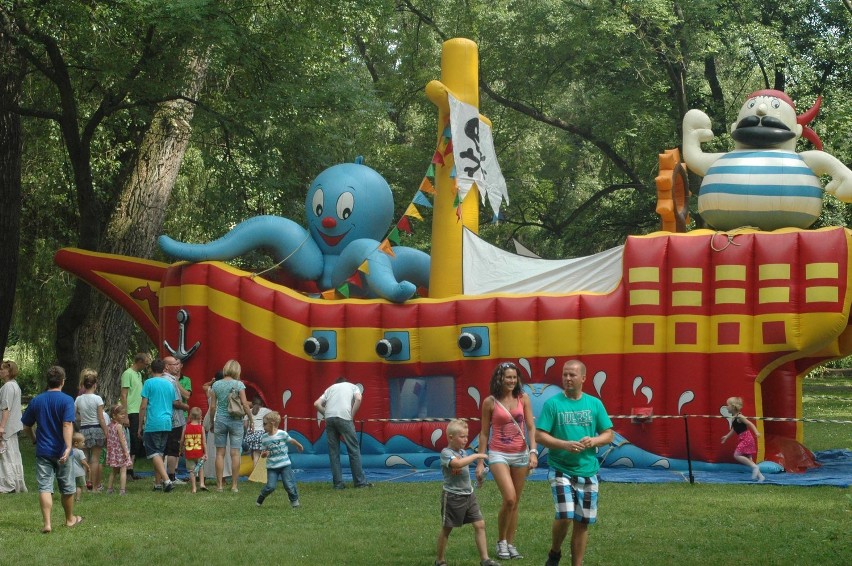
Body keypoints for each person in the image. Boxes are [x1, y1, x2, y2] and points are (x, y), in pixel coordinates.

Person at [535, 360, 614, 566]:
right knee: (565, 515)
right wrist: (563, 444)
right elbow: (539, 435)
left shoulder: (594, 403)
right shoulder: (553, 404)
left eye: (572, 375)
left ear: (583, 378)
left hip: (588, 470)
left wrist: (594, 440)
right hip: (561, 469)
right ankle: (554, 552)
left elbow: (608, 434)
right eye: (565, 375)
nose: (567, 379)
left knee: (582, 522)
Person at [475, 361, 537, 560]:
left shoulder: (523, 398)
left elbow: (530, 426)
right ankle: (501, 541)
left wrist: (533, 452)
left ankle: (511, 544)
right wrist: (480, 461)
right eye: (507, 377)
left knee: (515, 503)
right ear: (499, 378)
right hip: (498, 454)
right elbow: (484, 433)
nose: (511, 380)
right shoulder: (490, 402)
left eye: (514, 377)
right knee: (509, 497)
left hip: (520, 453)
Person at [20, 365, 83, 533]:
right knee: (67, 487)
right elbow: (67, 423)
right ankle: (70, 519)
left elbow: (26, 425)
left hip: (43, 451)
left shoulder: (37, 400)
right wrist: (69, 447)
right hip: (62, 450)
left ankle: (47, 524)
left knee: (45, 487)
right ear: (62, 381)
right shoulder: (67, 400)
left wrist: (34, 439)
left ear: (48, 381)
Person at [435, 419, 500, 566]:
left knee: (480, 524)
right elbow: (457, 464)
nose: (465, 440)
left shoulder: (463, 452)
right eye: (462, 436)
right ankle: (439, 561)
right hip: (452, 496)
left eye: (466, 436)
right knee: (447, 528)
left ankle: (485, 560)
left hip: (469, 494)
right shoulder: (446, 453)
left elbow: (464, 468)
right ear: (451, 437)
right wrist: (477, 456)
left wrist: (480, 477)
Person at [313, 376, 371, 489]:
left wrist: (326, 414)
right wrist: (351, 416)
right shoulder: (353, 387)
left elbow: (316, 404)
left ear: (336, 383)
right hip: (344, 417)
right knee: (353, 450)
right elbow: (358, 399)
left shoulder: (330, 388)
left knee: (334, 453)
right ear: (346, 382)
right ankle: (360, 483)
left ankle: (338, 484)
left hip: (329, 418)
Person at [208, 359, 252, 492]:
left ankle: (219, 485)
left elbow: (213, 406)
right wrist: (251, 419)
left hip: (220, 420)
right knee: (235, 454)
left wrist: (211, 422)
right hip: (236, 421)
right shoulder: (239, 385)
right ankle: (234, 486)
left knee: (220, 454)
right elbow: (244, 404)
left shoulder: (216, 385)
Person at [139, 358, 179, 493]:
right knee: (160, 454)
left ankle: (166, 480)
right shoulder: (169, 384)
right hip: (167, 422)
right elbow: (174, 402)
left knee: (153, 453)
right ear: (164, 369)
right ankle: (157, 483)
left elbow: (143, 406)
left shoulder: (148, 383)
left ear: (151, 369)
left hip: (153, 422)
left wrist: (140, 425)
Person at [256, 411, 304, 508]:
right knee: (270, 486)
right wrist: (264, 454)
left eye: (265, 424)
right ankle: (261, 497)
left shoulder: (282, 434)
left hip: (284, 465)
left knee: (289, 485)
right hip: (272, 467)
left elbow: (291, 440)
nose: (263, 426)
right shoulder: (264, 438)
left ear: (272, 423)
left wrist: (299, 445)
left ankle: (294, 502)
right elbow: (263, 453)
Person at [74, 368, 107, 492]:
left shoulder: (78, 399)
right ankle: (93, 486)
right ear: (95, 384)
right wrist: (106, 431)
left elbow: (75, 415)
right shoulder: (97, 399)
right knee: (95, 459)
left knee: (84, 458)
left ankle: (82, 486)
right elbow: (101, 418)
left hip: (84, 429)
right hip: (96, 428)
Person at [120, 352, 151, 479]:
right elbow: (123, 395)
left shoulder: (138, 374)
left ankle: (131, 468)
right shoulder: (128, 374)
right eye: (145, 363)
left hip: (138, 411)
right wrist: (125, 414)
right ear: (139, 362)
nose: (146, 366)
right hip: (131, 411)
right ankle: (127, 469)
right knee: (131, 440)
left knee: (136, 441)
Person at [721, 396, 765, 482]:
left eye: (728, 405)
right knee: (749, 459)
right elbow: (734, 429)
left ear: (733, 407)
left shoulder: (740, 416)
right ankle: (761, 477)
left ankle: (755, 467)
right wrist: (726, 437)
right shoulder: (734, 417)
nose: (726, 407)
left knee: (737, 455)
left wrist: (756, 432)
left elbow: (750, 424)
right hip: (743, 438)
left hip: (746, 438)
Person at [0, 359, 27, 493]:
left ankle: (8, 484)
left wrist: (1, 427)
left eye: (2, 369)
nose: (0, 371)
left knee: (6, 454)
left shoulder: (8, 387)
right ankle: (16, 483)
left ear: (8, 372)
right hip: (13, 426)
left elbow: (6, 408)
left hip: (7, 427)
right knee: (13, 454)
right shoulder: (15, 386)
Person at [163, 356, 191, 484]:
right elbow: (176, 401)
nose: (177, 366)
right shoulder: (172, 381)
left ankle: (160, 478)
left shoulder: (157, 379)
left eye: (177, 364)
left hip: (163, 418)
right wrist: (186, 406)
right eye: (174, 364)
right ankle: (172, 477)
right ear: (167, 367)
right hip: (175, 419)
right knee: (173, 449)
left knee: (163, 448)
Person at [105, 404, 132, 495]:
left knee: (114, 471)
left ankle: (109, 489)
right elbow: (121, 440)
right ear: (114, 415)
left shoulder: (109, 426)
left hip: (113, 452)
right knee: (123, 470)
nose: (123, 415)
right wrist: (126, 452)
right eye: (121, 414)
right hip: (120, 452)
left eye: (124, 414)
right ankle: (122, 490)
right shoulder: (119, 426)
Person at [182, 407, 208, 493]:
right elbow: (204, 442)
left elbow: (182, 440)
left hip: (189, 453)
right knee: (200, 468)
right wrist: (206, 453)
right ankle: (202, 483)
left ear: (189, 417)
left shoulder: (186, 427)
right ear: (201, 417)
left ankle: (194, 488)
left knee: (191, 470)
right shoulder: (201, 428)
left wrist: (181, 449)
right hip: (199, 452)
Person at [244, 396, 272, 466]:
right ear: (262, 404)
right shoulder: (265, 410)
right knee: (260, 454)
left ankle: (254, 473)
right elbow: (273, 415)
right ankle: (259, 473)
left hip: (251, 435)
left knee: (254, 454)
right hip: (261, 435)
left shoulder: (249, 411)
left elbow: (245, 425)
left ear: (252, 404)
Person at [70, 432, 90, 502]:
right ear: (76, 443)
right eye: (82, 442)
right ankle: (77, 499)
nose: (84, 444)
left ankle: (71, 499)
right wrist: (88, 467)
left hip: (71, 472)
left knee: (72, 486)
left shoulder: (69, 451)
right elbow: (83, 461)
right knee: (79, 486)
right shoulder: (80, 452)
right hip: (79, 473)